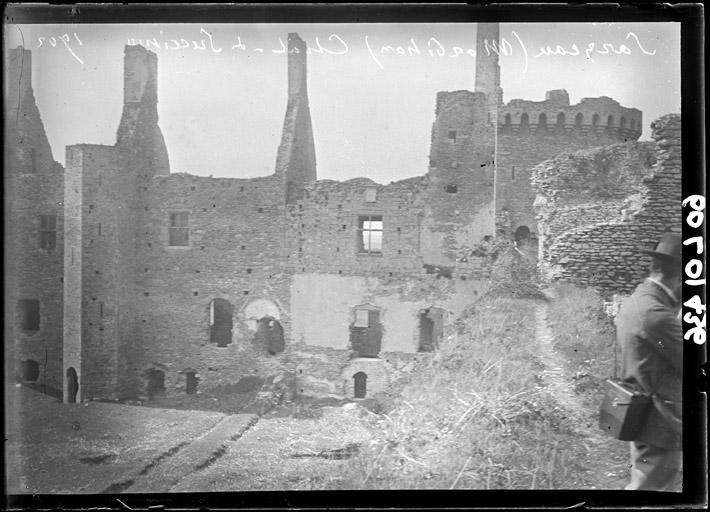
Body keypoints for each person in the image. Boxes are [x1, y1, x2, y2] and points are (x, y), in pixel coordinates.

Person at [616, 232, 683, 491]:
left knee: (645, 485)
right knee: (651, 490)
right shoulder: (656, 316)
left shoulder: (637, 301)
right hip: (660, 420)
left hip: (642, 413)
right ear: (680, 276)